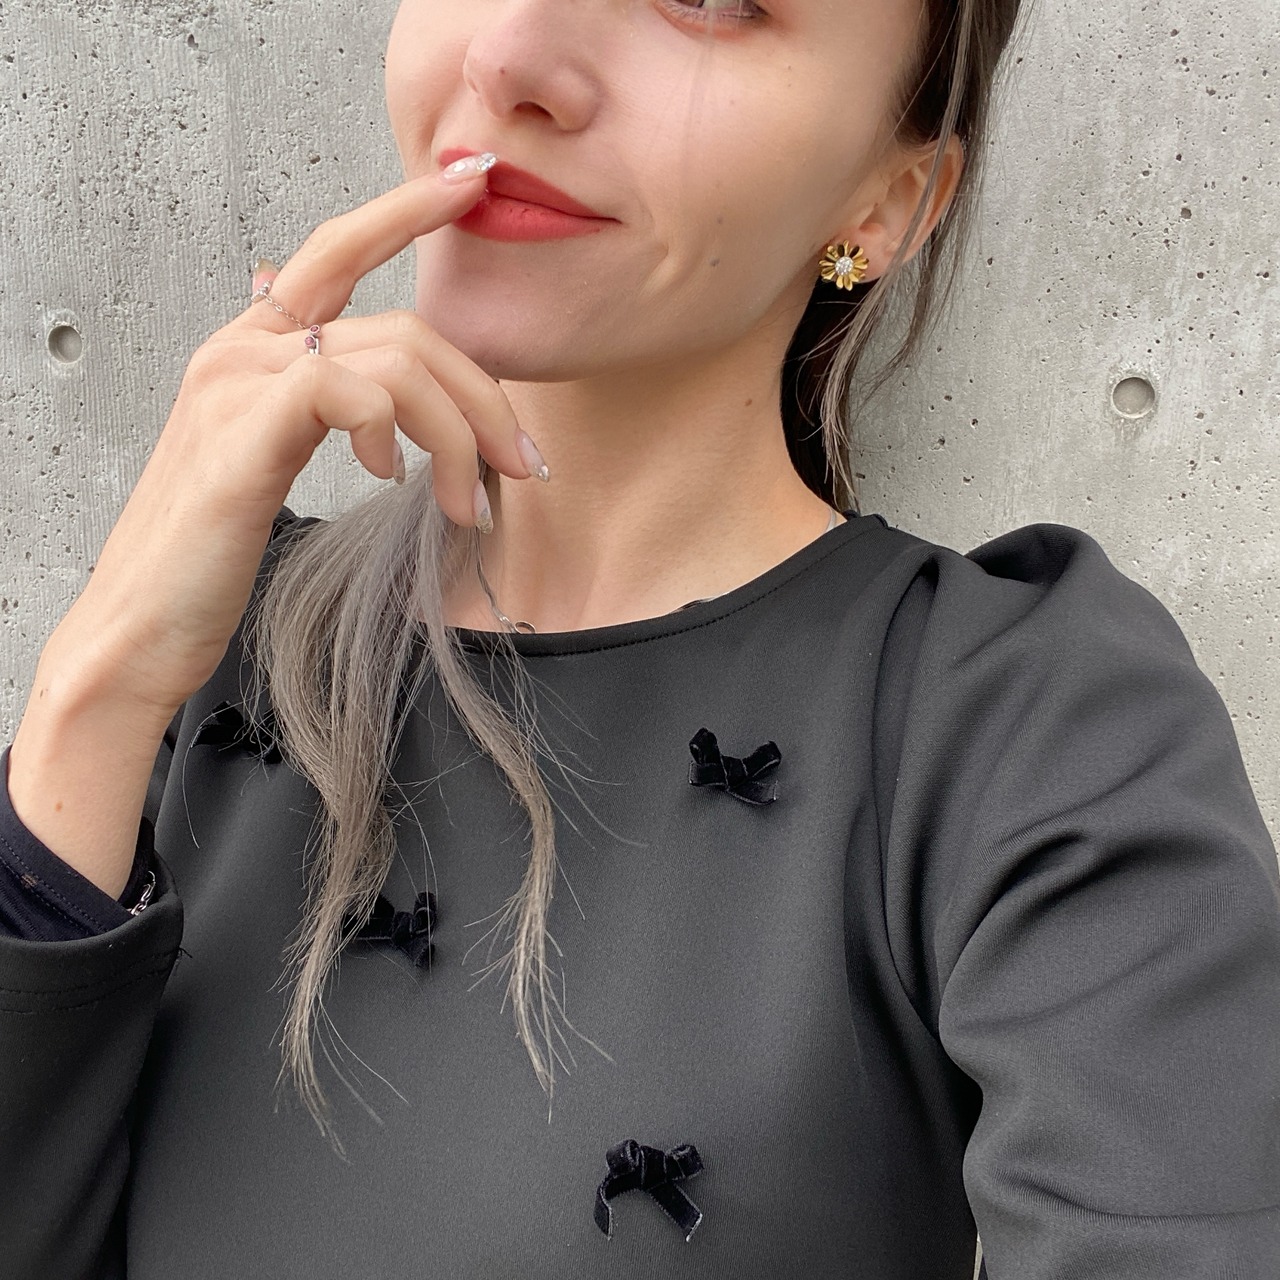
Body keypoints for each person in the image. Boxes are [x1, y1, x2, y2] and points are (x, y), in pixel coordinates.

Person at [2, 0, 1277, 1276]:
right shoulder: (209, 650)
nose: (509, 56)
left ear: (889, 200)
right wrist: (96, 686)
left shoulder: (1019, 720)